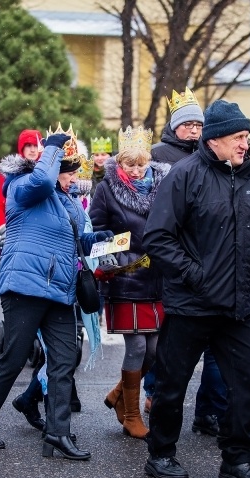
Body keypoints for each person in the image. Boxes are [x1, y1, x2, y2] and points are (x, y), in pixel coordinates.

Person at [142, 100, 250, 478]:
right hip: (192, 304)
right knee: (172, 384)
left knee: (249, 382)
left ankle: (236, 460)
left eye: (247, 137)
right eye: (238, 137)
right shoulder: (185, 175)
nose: (244, 144)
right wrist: (195, 276)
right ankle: (161, 454)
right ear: (215, 139)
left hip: (237, 308)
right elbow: (158, 238)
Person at [0, 125, 112, 460]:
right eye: (68, 173)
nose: (72, 180)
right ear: (53, 168)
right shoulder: (23, 187)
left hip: (61, 291)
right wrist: (51, 147)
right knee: (13, 358)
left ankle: (57, 433)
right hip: (25, 287)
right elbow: (43, 181)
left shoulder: (70, 203)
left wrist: (104, 237)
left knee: (64, 361)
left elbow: (76, 241)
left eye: (75, 173)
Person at [90, 125, 169, 439]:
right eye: (129, 164)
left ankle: (119, 393)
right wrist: (115, 250)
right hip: (124, 276)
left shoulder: (164, 186)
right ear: (118, 163)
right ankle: (132, 416)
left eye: (141, 164)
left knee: (155, 349)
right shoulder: (106, 189)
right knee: (137, 346)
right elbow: (95, 233)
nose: (136, 171)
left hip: (157, 277)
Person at [0, 129, 42, 230]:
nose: (33, 150)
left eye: (36, 146)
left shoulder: (47, 173)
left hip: (40, 233)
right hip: (14, 231)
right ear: (22, 147)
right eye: (29, 145)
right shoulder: (7, 173)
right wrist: (3, 229)